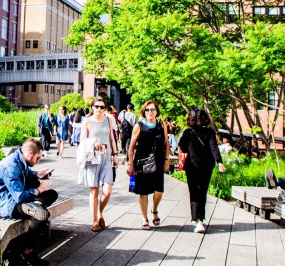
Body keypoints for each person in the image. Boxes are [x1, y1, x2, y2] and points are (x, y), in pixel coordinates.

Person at [0, 139, 58, 266]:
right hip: (7, 204)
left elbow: (27, 172)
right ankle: (28, 252)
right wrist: (39, 189)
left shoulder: (20, 159)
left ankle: (35, 205)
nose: (38, 161)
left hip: (17, 200)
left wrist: (38, 174)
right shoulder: (10, 166)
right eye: (38, 158)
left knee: (53, 194)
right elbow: (19, 197)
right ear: (30, 154)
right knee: (41, 215)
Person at [178, 108, 225, 233]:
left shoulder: (188, 132)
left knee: (194, 192)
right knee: (202, 192)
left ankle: (197, 220)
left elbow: (182, 147)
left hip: (192, 166)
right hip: (206, 166)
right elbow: (214, 148)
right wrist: (219, 162)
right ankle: (200, 219)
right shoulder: (210, 132)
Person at [77, 96, 118, 232]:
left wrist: (116, 155)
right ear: (92, 107)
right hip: (93, 158)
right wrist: (94, 142)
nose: (99, 109)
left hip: (106, 158)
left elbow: (112, 138)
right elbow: (83, 141)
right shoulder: (87, 122)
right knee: (94, 190)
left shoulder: (109, 120)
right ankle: (94, 219)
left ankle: (100, 212)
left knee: (107, 191)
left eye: (102, 107)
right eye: (97, 107)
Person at [126, 101, 170, 230]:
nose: (150, 112)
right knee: (143, 191)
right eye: (147, 110)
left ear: (157, 111)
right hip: (142, 161)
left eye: (152, 110)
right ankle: (144, 218)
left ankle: (154, 209)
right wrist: (131, 164)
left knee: (159, 190)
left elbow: (166, 143)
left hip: (158, 160)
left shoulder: (161, 124)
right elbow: (131, 145)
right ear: (144, 112)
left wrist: (167, 160)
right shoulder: (139, 126)